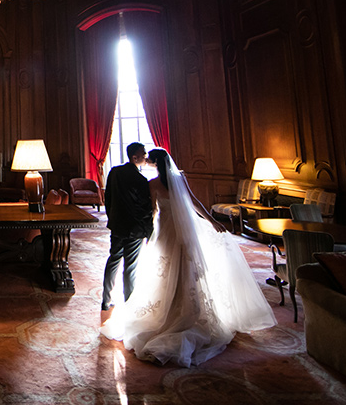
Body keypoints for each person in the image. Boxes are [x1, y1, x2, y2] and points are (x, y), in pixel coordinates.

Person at [103, 148, 277, 367]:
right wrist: (212, 220)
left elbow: (153, 213)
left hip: (166, 233)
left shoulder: (153, 185)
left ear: (156, 164)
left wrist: (149, 234)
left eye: (150, 160)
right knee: (187, 269)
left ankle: (172, 310)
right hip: (185, 233)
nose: (147, 161)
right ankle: (188, 309)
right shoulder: (179, 179)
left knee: (166, 271)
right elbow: (194, 202)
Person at [101, 142, 154, 311]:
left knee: (113, 260)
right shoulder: (140, 180)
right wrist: (148, 231)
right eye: (143, 153)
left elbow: (107, 198)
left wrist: (112, 218)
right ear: (134, 157)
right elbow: (145, 208)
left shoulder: (114, 172)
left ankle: (105, 299)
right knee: (130, 267)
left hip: (117, 225)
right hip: (134, 229)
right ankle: (129, 304)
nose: (146, 156)